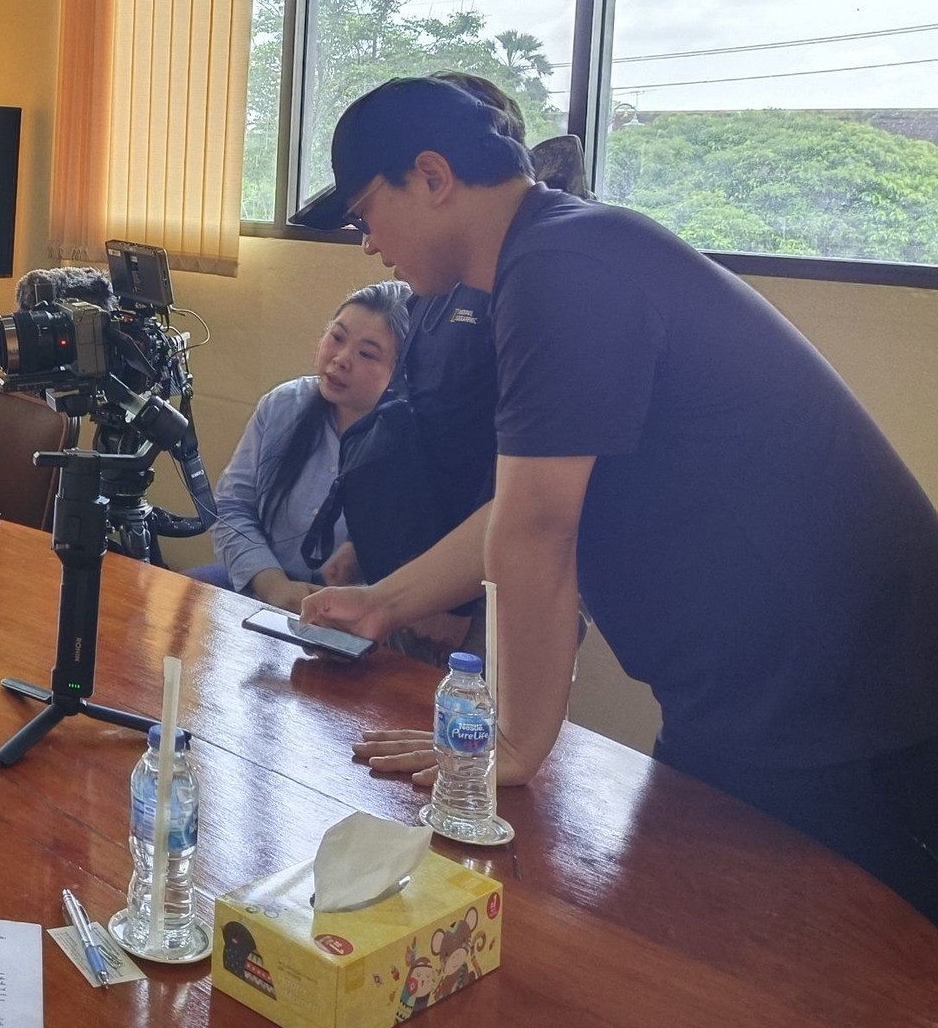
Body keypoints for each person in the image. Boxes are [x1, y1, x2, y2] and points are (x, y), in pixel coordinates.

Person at [291, 77, 938, 923]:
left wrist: (514, 740)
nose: (368, 245)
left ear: (433, 176)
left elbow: (536, 530)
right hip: (750, 687)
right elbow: (520, 507)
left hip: (841, 688)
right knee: (691, 927)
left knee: (820, 950)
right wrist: (384, 602)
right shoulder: (547, 263)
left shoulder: (563, 269)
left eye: (366, 214)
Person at [196, 281, 413, 607]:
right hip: (261, 586)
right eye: (337, 337)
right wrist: (273, 585)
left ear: (400, 372)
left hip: (357, 611)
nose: (341, 359)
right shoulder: (282, 405)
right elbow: (232, 507)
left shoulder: (410, 441)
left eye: (367, 354)